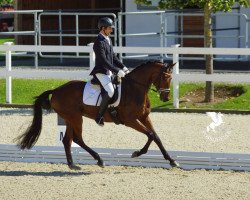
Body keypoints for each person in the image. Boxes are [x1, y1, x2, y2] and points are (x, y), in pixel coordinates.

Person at [90, 17, 130, 126]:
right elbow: (103, 61)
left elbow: (113, 57)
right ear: (103, 28)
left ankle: (113, 110)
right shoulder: (98, 42)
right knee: (111, 91)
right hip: (101, 72)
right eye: (109, 28)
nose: (111, 30)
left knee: (120, 87)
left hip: (109, 72)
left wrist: (123, 67)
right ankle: (99, 116)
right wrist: (117, 71)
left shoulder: (107, 39)